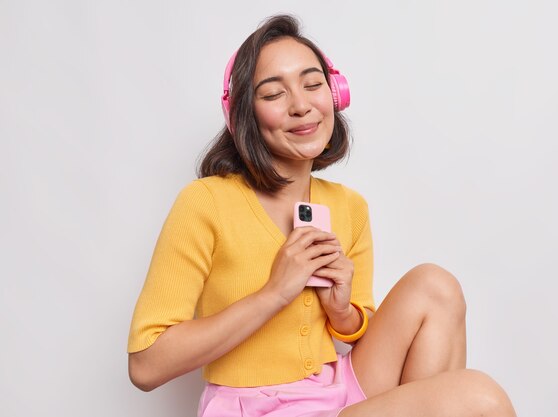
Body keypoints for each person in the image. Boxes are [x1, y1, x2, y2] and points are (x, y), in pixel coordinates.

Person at [127, 14, 517, 417]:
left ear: (335, 95)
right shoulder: (205, 202)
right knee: (479, 399)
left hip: (337, 391)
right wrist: (274, 293)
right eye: (274, 94)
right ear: (244, 114)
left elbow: (356, 329)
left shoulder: (349, 206)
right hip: (257, 409)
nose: (301, 105)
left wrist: (342, 310)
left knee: (436, 286)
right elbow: (145, 364)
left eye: (313, 85)